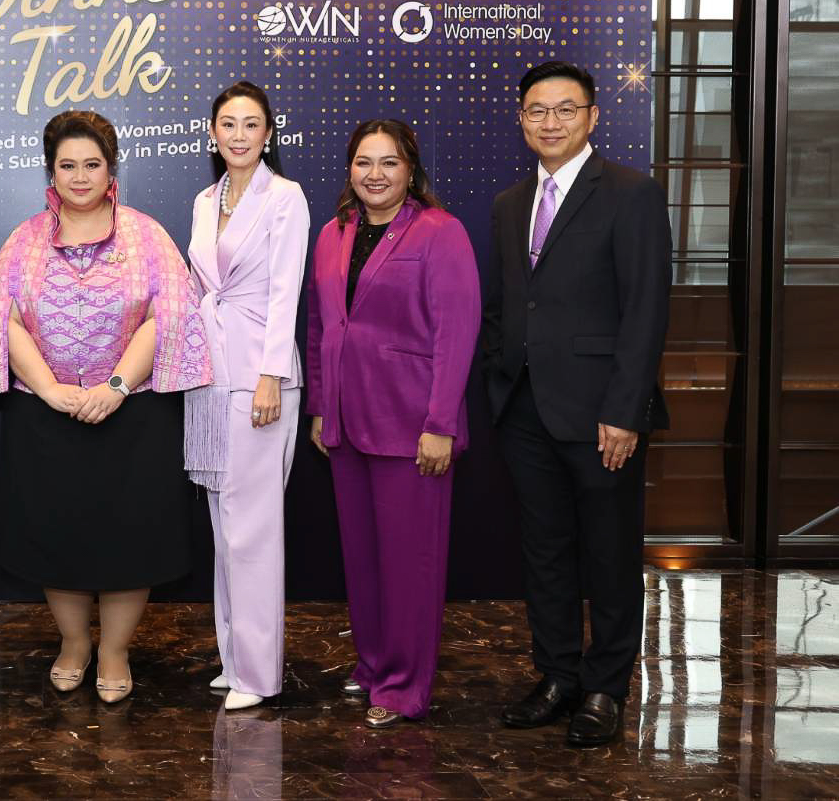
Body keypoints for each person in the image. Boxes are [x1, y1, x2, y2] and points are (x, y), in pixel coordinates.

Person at [0, 110, 211, 703]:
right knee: (57, 533)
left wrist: (116, 385)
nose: (79, 177)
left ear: (111, 171)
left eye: (91, 164)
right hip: (46, 414)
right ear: (50, 172)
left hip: (133, 414)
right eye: (67, 165)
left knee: (130, 537)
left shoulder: (147, 235)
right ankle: (75, 643)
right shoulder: (24, 239)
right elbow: (1, 316)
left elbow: (169, 312)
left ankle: (115, 650)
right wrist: (50, 389)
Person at [484, 61, 671, 747]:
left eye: (566, 109)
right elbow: (508, 303)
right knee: (546, 553)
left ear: (593, 116)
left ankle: (605, 688)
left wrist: (625, 410)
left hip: (601, 414)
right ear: (521, 119)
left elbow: (646, 310)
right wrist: (498, 376)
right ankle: (558, 676)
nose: (551, 122)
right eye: (537, 110)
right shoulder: (510, 203)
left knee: (610, 555)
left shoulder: (630, 193)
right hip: (525, 409)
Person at [305, 119, 480, 728]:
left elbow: (458, 333)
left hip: (413, 424)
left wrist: (441, 422)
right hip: (346, 423)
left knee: (410, 565)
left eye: (389, 163)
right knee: (362, 559)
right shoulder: (333, 233)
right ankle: (374, 664)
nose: (374, 174)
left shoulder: (441, 232)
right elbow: (321, 327)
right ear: (349, 169)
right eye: (363, 162)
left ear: (411, 170)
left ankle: (404, 686)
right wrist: (321, 407)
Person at [184, 82, 309, 711]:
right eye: (228, 124)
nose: (238, 135)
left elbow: (287, 290)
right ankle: (234, 658)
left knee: (252, 530)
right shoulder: (206, 201)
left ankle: (258, 675)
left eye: (251, 124)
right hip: (210, 376)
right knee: (223, 526)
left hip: (260, 377)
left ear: (268, 134)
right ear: (212, 133)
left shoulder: (285, 197)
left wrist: (269, 374)